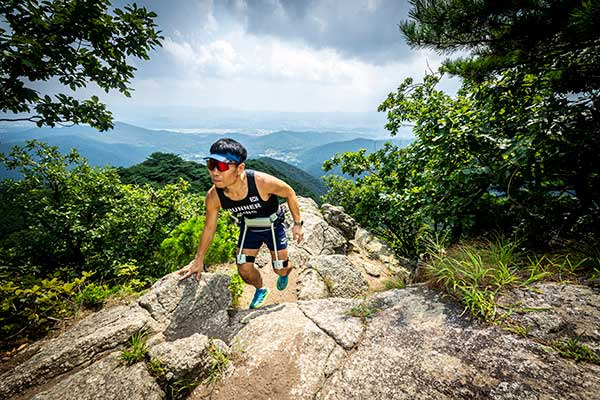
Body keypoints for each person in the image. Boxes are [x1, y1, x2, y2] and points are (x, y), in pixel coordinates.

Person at [178, 138, 304, 309]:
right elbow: (209, 228)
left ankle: (285, 270)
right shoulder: (214, 196)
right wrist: (198, 260)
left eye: (222, 166)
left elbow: (289, 192)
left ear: (240, 168)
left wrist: (297, 224)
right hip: (249, 227)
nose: (215, 172)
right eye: (211, 164)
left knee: (280, 269)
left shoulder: (261, 182)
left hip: (273, 225)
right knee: (244, 269)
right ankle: (261, 289)